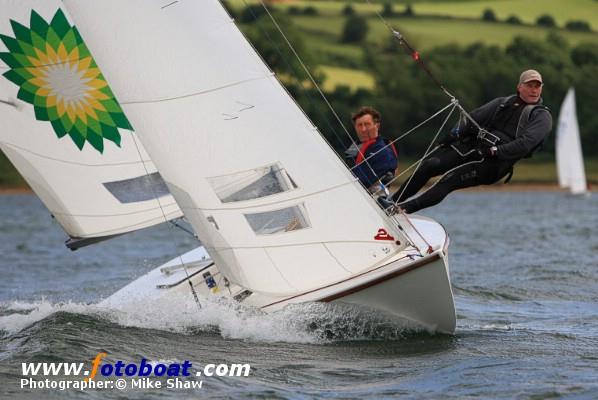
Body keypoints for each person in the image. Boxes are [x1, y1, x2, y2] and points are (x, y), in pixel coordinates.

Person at [385, 69, 552, 214]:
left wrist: (494, 151)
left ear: (542, 89)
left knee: (449, 180)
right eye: (529, 85)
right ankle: (391, 202)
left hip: (495, 164)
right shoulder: (502, 103)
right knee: (430, 165)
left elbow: (525, 144)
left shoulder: (541, 116)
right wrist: (452, 136)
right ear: (519, 87)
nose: (534, 90)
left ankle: (402, 210)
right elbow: (472, 118)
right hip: (474, 148)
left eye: (537, 86)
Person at [345, 106, 398, 189]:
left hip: (370, 197)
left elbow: (366, 180)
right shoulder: (354, 148)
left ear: (377, 126)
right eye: (359, 125)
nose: (363, 129)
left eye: (367, 124)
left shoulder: (384, 150)